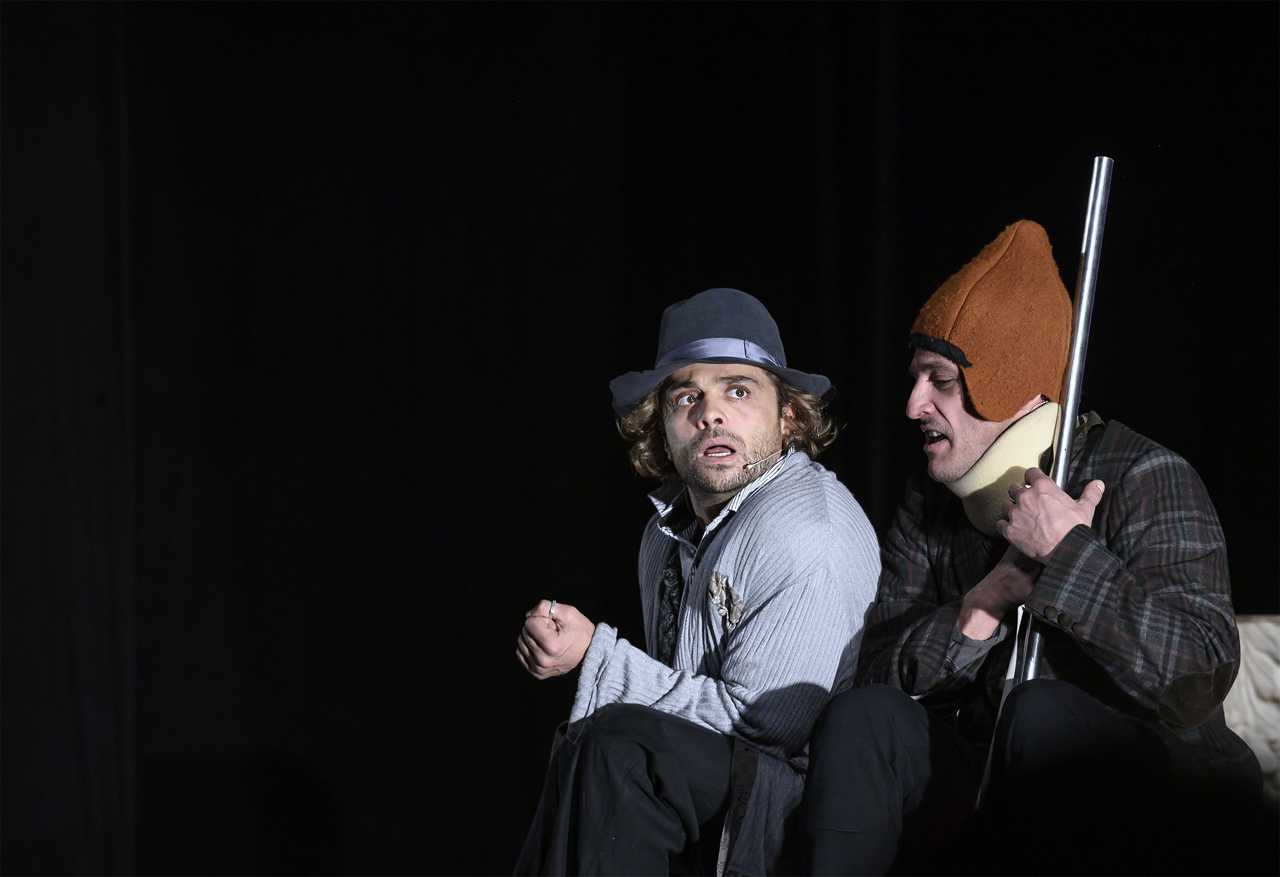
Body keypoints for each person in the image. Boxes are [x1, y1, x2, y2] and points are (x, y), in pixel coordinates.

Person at [800, 220, 1261, 875]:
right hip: (993, 778)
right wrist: (983, 604)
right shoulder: (930, 500)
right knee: (865, 717)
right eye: (915, 378)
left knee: (1039, 713)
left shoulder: (1143, 473)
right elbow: (873, 670)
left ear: (1010, 381)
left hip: (1153, 796)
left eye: (940, 380)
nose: (912, 404)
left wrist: (1070, 553)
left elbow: (1197, 678)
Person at [514, 287, 880, 876]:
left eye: (739, 390)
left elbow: (767, 729)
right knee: (585, 744)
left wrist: (596, 658)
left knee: (622, 749)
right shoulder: (663, 532)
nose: (710, 414)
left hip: (788, 811)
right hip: (708, 795)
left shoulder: (807, 528)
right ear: (660, 426)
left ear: (788, 416)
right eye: (687, 396)